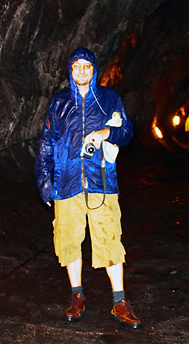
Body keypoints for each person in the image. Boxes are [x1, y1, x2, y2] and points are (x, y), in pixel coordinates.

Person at [35, 47, 141, 329]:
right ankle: (76, 296)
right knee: (69, 239)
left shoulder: (108, 98)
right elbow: (47, 142)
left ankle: (119, 301)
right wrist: (45, 183)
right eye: (76, 66)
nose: (81, 71)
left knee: (110, 238)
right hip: (67, 182)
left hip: (102, 182)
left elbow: (127, 131)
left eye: (87, 66)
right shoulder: (59, 103)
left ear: (94, 70)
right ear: (70, 70)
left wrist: (107, 132)